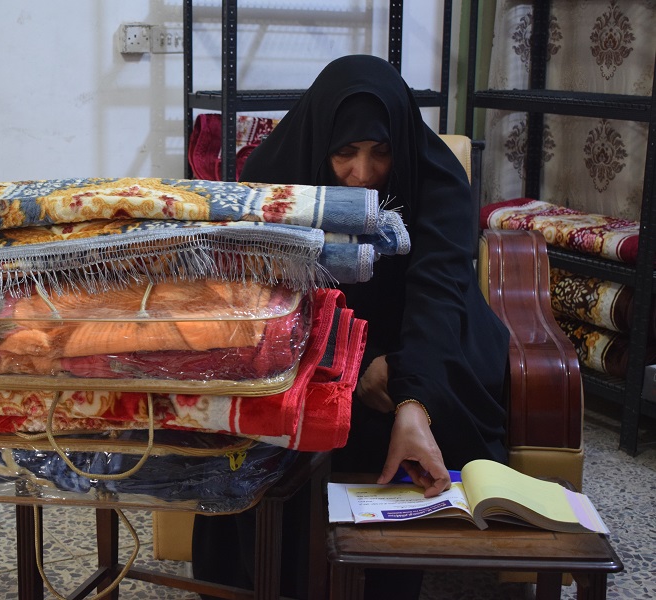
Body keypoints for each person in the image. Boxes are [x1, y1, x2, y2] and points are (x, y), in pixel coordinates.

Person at [191, 54, 510, 599]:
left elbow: (437, 292)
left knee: (393, 416)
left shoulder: (437, 180)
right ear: (322, 144)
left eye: (381, 152)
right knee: (271, 424)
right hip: (307, 343)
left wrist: (414, 397)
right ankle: (272, 580)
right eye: (345, 153)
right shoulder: (275, 172)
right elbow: (269, 297)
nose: (363, 174)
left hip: (423, 340)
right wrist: (348, 366)